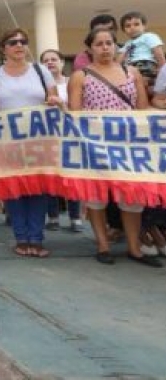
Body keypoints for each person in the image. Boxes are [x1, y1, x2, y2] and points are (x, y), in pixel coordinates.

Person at [67, 27, 161, 267]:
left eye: (109, 42)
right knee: (96, 197)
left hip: (128, 145)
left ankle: (134, 248)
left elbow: (142, 109)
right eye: (99, 44)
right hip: (94, 145)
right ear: (90, 48)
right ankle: (103, 245)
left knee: (131, 198)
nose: (105, 47)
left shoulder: (132, 72)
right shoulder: (81, 76)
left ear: (116, 45)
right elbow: (75, 113)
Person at [0, 28, 60, 258]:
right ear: (3, 48)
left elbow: (52, 99)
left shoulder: (41, 71)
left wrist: (55, 101)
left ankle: (36, 238)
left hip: (38, 141)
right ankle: (21, 237)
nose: (19, 45)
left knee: (37, 190)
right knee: (13, 190)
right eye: (13, 41)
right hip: (6, 142)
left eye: (23, 42)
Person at [40, 49, 82, 233]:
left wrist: (61, 106)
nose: (50, 63)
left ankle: (75, 217)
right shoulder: (39, 85)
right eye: (45, 60)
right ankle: (53, 216)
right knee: (51, 177)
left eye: (53, 59)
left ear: (62, 62)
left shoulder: (72, 82)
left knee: (72, 177)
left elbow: (76, 109)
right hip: (47, 137)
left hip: (70, 136)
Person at [118, 11, 164, 90]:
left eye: (136, 24)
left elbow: (158, 51)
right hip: (130, 67)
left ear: (144, 26)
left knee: (143, 85)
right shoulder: (127, 43)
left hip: (145, 64)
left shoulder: (148, 36)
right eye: (128, 26)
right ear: (124, 30)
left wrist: (162, 68)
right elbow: (120, 58)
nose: (132, 28)